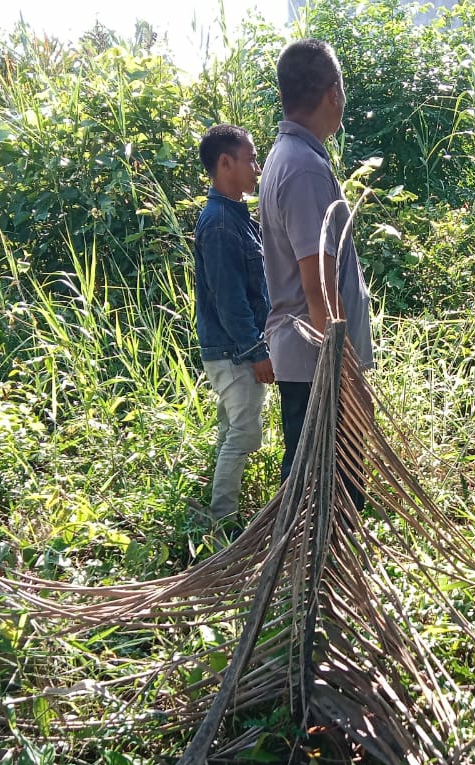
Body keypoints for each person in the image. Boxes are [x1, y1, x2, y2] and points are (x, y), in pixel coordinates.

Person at [258, 39, 374, 484]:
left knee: (313, 483)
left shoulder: (288, 157)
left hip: (311, 360)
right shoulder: (303, 168)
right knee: (328, 489)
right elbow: (318, 287)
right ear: (332, 93)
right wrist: (345, 376)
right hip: (318, 364)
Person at [193, 124, 272, 527]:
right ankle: (222, 520)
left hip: (231, 348)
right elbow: (229, 300)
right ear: (225, 163)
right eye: (251, 159)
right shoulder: (221, 224)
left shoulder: (235, 217)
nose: (257, 168)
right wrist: (256, 352)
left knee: (232, 431)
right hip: (233, 351)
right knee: (242, 434)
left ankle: (216, 514)